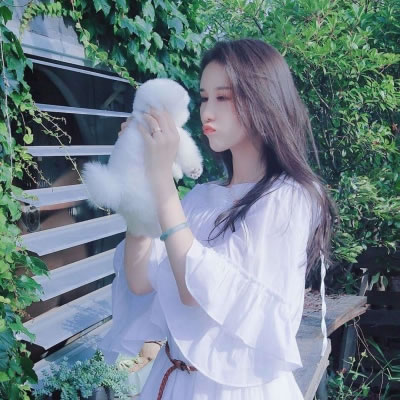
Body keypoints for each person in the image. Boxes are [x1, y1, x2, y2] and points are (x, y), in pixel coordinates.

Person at [99, 38, 336, 399]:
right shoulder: (201, 197)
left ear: (264, 99)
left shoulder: (289, 197)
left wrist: (162, 180)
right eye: (204, 97)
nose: (207, 112)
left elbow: (195, 290)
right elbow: (140, 280)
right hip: (173, 380)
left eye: (223, 98)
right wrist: (140, 179)